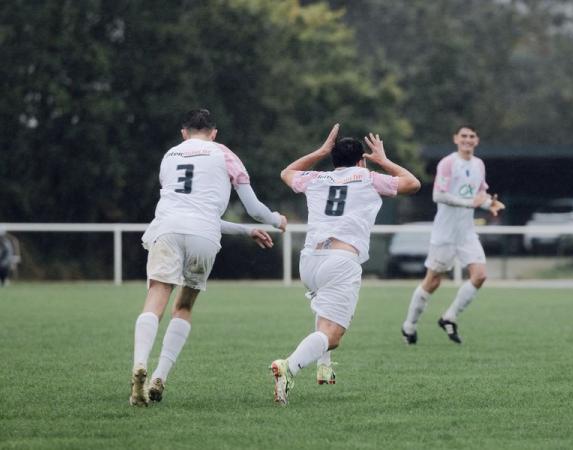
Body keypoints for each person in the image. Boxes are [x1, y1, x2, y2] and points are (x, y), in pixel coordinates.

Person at [130, 109, 286, 406]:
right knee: (184, 306)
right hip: (203, 235)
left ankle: (139, 363)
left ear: (183, 133)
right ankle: (160, 375)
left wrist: (245, 231)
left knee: (156, 296)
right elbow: (253, 208)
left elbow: (183, 207)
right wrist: (276, 220)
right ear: (214, 133)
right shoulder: (224, 153)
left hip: (167, 229)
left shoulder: (170, 155)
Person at [270, 124, 420, 405]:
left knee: (325, 317)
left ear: (332, 159)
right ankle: (287, 367)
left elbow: (286, 173)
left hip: (310, 261)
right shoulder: (367, 177)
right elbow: (412, 184)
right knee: (333, 335)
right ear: (361, 160)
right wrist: (384, 160)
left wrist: (320, 151)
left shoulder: (316, 177)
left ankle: (324, 366)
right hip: (340, 260)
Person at [401, 125, 504, 345]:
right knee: (433, 282)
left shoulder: (478, 164)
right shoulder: (448, 163)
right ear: (456, 138)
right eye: (464, 136)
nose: (467, 139)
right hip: (445, 233)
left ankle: (449, 317)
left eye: (472, 136)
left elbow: (479, 194)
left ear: (477, 140)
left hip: (466, 232)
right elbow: (438, 195)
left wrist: (490, 204)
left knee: (480, 275)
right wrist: (470, 203)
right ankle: (409, 325)